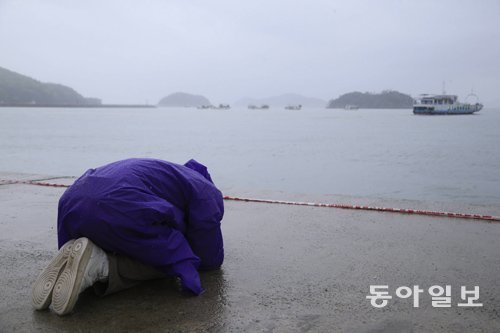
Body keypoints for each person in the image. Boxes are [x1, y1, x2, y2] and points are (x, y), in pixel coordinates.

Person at [31, 158, 224, 315]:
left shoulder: (169, 172)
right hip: (119, 206)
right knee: (172, 259)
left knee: (124, 234)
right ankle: (100, 266)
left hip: (72, 201)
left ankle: (74, 252)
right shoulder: (206, 191)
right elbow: (209, 258)